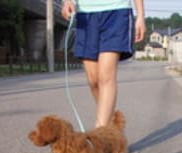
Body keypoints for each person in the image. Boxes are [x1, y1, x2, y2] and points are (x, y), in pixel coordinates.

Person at [61, 0, 146, 128]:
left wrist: (140, 16)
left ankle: (100, 135)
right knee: (93, 80)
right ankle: (111, 123)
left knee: (106, 77)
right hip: (86, 14)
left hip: (117, 11)